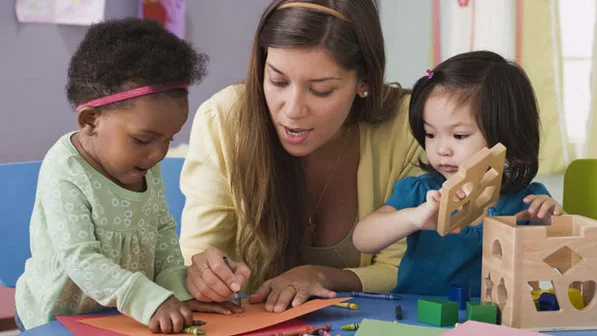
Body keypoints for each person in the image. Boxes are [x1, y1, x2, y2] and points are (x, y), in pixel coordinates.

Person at [180, 0, 423, 313]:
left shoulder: (410, 126)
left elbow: (401, 271)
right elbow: (199, 253)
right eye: (277, 81)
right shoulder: (223, 119)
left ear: (364, 82)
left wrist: (320, 276)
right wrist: (205, 274)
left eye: (320, 90)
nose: (292, 110)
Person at [14, 18, 241, 333]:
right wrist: (147, 298)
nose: (158, 153)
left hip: (125, 317)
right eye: (144, 139)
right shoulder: (65, 170)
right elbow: (80, 259)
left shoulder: (145, 163)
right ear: (91, 119)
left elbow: (161, 233)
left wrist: (176, 291)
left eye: (169, 140)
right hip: (55, 320)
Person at [352, 50, 564, 297]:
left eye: (459, 136)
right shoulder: (420, 192)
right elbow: (363, 238)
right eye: (430, 134)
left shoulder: (528, 199)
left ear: (507, 133)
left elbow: (562, 264)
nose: (441, 149)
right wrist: (414, 218)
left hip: (494, 319)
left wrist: (549, 224)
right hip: (417, 315)